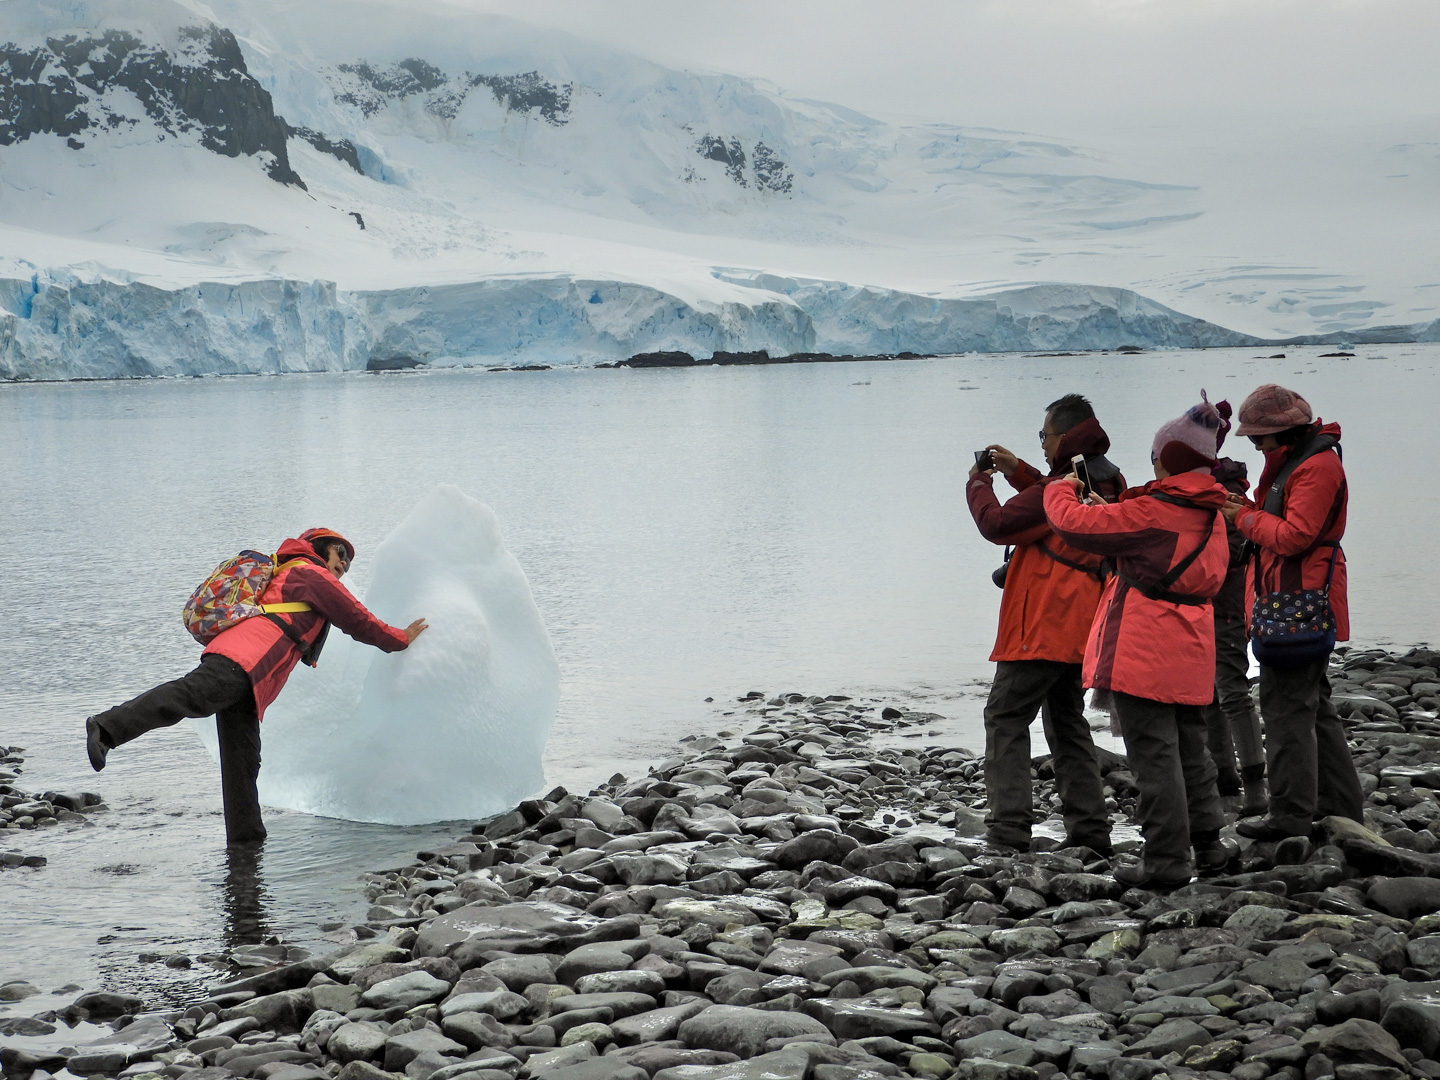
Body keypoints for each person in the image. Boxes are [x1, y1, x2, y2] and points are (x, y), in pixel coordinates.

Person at [84, 528, 428, 845]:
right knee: (190, 697)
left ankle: (245, 843)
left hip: (252, 675)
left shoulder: (294, 575)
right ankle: (107, 727)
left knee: (243, 760)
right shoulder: (307, 572)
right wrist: (399, 638)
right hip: (242, 657)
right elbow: (356, 618)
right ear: (319, 547)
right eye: (341, 553)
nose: (344, 564)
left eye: (349, 563)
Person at [1043, 397, 1234, 888]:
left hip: (1146, 646)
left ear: (1170, 458)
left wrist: (1060, 491)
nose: (1151, 462)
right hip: (1192, 645)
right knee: (1192, 749)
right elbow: (1149, 537)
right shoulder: (1208, 509)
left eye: (1155, 455)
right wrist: (1116, 515)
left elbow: (1074, 525)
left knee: (1154, 757)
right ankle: (1209, 846)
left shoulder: (1158, 510)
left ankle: (1166, 862)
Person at [966, 393, 1124, 855]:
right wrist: (1017, 470)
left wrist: (979, 484)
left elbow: (998, 524)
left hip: (1042, 623)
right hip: (1084, 623)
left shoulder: (1062, 487)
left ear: (1065, 437)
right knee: (1067, 721)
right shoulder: (1107, 478)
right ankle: (1091, 831)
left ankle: (1008, 830)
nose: (1042, 444)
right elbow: (1046, 496)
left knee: (1005, 717)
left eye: (1045, 436)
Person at [1223, 384, 1364, 840]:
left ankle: (1289, 814)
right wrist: (1241, 508)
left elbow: (1295, 536)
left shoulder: (1316, 467)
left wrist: (1241, 519)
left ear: (1284, 433)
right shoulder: (1299, 461)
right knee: (1313, 706)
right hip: (1295, 601)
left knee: (1285, 710)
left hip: (1298, 605)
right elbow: (1282, 524)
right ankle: (1339, 806)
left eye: (1259, 439)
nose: (1256, 447)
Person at [1199, 401, 1269, 817]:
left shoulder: (1217, 492)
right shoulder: (1231, 484)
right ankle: (1230, 781)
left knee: (1229, 691)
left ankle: (1250, 785)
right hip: (1222, 605)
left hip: (1220, 606)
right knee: (1215, 691)